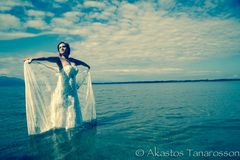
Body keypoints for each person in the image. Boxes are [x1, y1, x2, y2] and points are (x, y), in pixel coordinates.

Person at [24, 42, 94, 134]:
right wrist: (33, 59)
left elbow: (81, 63)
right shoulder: (58, 59)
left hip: (72, 91)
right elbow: (46, 58)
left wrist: (87, 66)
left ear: (67, 48)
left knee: (73, 107)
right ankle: (59, 126)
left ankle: (72, 127)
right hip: (63, 89)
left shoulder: (73, 60)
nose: (61, 48)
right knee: (62, 107)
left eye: (63, 46)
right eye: (60, 47)